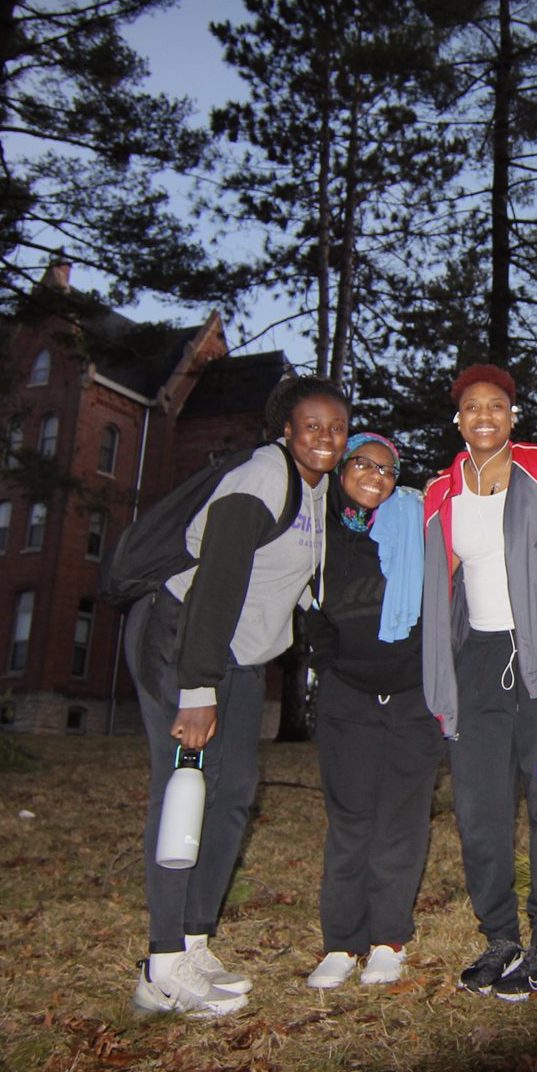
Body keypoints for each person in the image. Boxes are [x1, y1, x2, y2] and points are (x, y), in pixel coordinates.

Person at [126, 375, 350, 1016]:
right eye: (312, 425)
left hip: (242, 655)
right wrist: (196, 689)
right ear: (286, 429)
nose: (326, 437)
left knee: (232, 794)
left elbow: (301, 577)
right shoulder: (260, 480)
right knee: (183, 788)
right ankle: (162, 966)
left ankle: (194, 940)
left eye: (336, 425)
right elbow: (217, 586)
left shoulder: (318, 491)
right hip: (183, 639)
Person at [422, 364, 537, 1000]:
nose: (484, 414)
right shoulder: (439, 492)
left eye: (496, 405)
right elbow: (441, 583)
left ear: (512, 415)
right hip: (479, 662)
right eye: (471, 407)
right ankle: (500, 936)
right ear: (457, 420)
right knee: (479, 807)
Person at [303, 433, 445, 989]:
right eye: (363, 462)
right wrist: (329, 661)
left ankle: (388, 939)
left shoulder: (415, 523)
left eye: (387, 469)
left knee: (401, 821)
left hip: (413, 696)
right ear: (342, 470)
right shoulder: (319, 532)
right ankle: (341, 942)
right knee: (350, 820)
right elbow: (310, 609)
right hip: (348, 697)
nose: (376, 475)